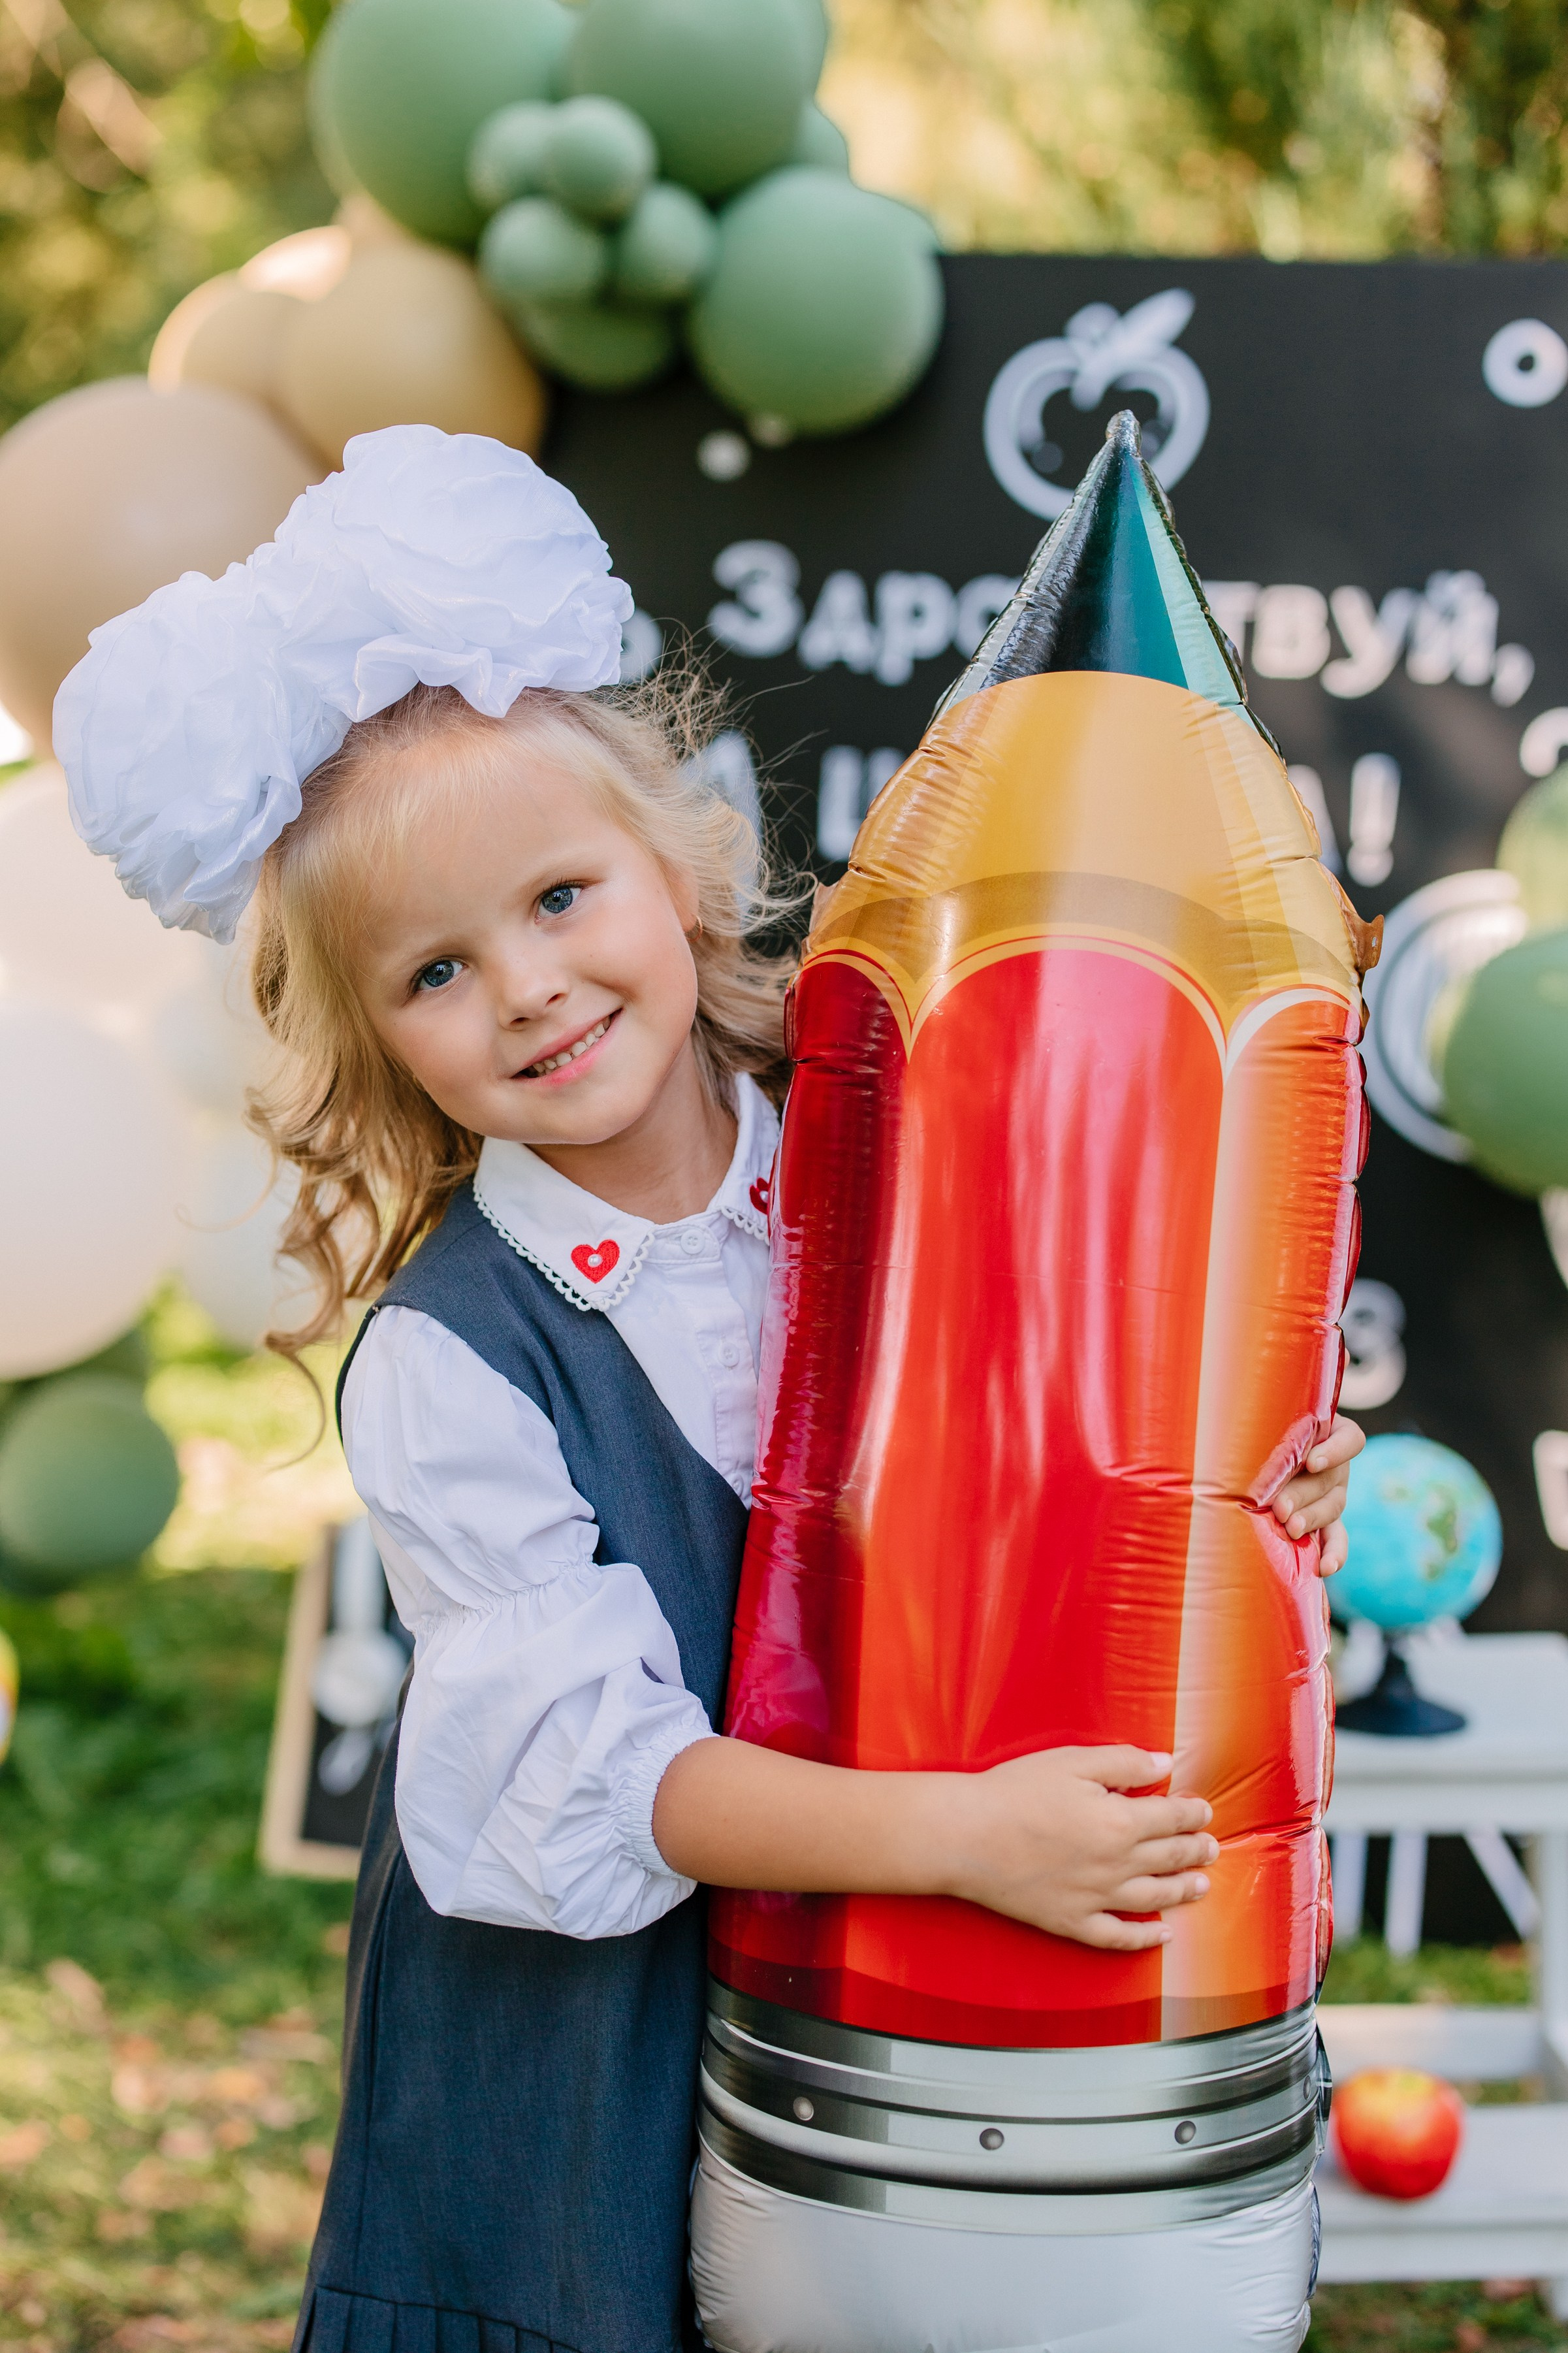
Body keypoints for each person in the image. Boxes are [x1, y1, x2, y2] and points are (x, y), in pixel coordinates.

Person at [57, 426, 1362, 2353]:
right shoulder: (455, 1361)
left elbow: (1069, 1402)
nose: (524, 984)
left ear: (680, 872)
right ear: (376, 1044)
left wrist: (1264, 1463)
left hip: (872, 2005)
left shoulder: (882, 1144)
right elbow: (620, 1782)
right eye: (432, 969)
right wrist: (970, 1838)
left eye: (561, 896)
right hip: (586, 2057)